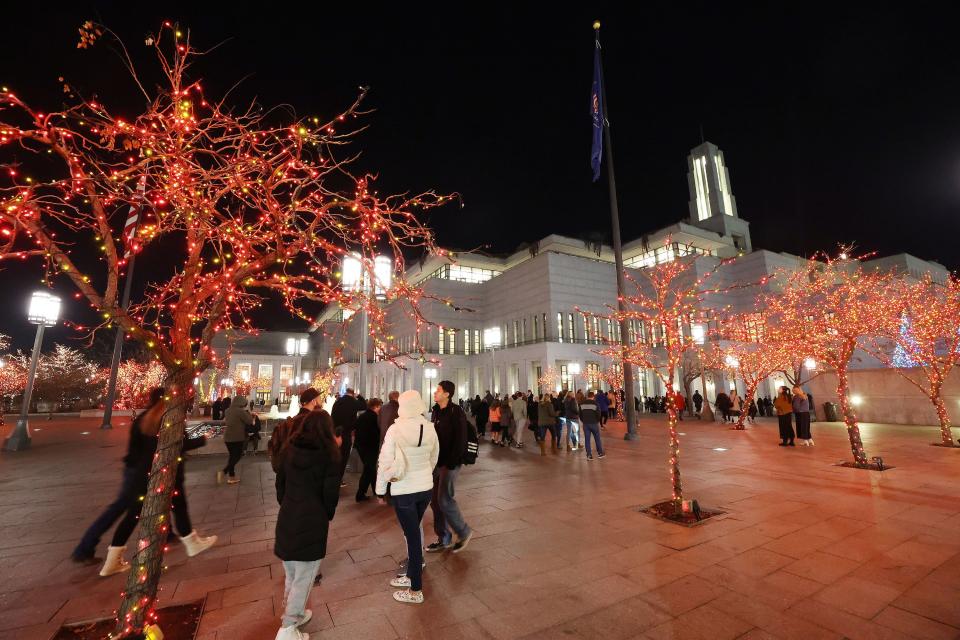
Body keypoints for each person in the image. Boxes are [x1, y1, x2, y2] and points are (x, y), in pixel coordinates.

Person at [72, 388, 216, 574]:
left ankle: (112, 560)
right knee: (177, 507)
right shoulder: (167, 421)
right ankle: (191, 542)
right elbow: (178, 444)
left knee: (132, 516)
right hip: (161, 475)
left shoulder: (144, 419)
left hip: (139, 475)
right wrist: (205, 437)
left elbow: (139, 450)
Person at [273, 411, 341, 639]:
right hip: (312, 518)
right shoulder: (328, 454)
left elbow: (280, 486)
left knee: (292, 572)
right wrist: (326, 514)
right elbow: (330, 493)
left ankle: (295, 613)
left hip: (288, 515)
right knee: (305, 576)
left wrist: (288, 504)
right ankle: (288, 628)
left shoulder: (289, 449)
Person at [376, 390, 439, 605]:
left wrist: (379, 489)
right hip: (424, 488)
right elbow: (434, 457)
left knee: (411, 536)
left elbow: (384, 462)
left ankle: (415, 590)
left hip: (404, 490)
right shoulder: (429, 427)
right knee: (413, 532)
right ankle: (412, 575)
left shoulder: (396, 429)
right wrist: (423, 475)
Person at [426, 380, 473, 554]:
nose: (435, 392)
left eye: (438, 390)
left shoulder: (456, 412)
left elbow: (461, 439)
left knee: (445, 499)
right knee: (435, 501)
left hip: (450, 462)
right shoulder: (437, 411)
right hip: (437, 462)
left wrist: (452, 461)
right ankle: (444, 537)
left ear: (447, 394)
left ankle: (463, 531)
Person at [353, 397, 383, 501]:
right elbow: (376, 434)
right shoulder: (374, 418)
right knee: (369, 470)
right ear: (376, 406)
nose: (381, 408)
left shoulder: (363, 416)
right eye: (380, 406)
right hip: (369, 447)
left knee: (370, 468)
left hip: (361, 446)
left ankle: (376, 490)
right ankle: (360, 494)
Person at [221, 395, 254, 484]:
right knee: (238, 456)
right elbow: (250, 421)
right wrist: (248, 413)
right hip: (237, 438)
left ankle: (232, 477)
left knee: (232, 457)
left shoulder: (227, 410)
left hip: (227, 438)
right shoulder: (240, 411)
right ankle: (224, 471)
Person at [332, 388, 362, 481]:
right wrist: (359, 396)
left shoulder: (338, 401)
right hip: (347, 432)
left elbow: (332, 415)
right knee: (344, 457)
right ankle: (339, 479)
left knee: (336, 456)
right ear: (353, 394)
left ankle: (334, 477)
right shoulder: (353, 402)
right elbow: (364, 405)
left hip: (336, 431)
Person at [579, 391, 605, 460]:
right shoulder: (595, 403)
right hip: (594, 423)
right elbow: (599, 414)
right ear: (593, 396)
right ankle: (600, 453)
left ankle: (589, 455)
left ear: (587, 396)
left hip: (586, 424)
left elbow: (580, 414)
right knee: (597, 438)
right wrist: (596, 421)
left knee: (587, 440)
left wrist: (583, 420)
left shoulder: (582, 404)